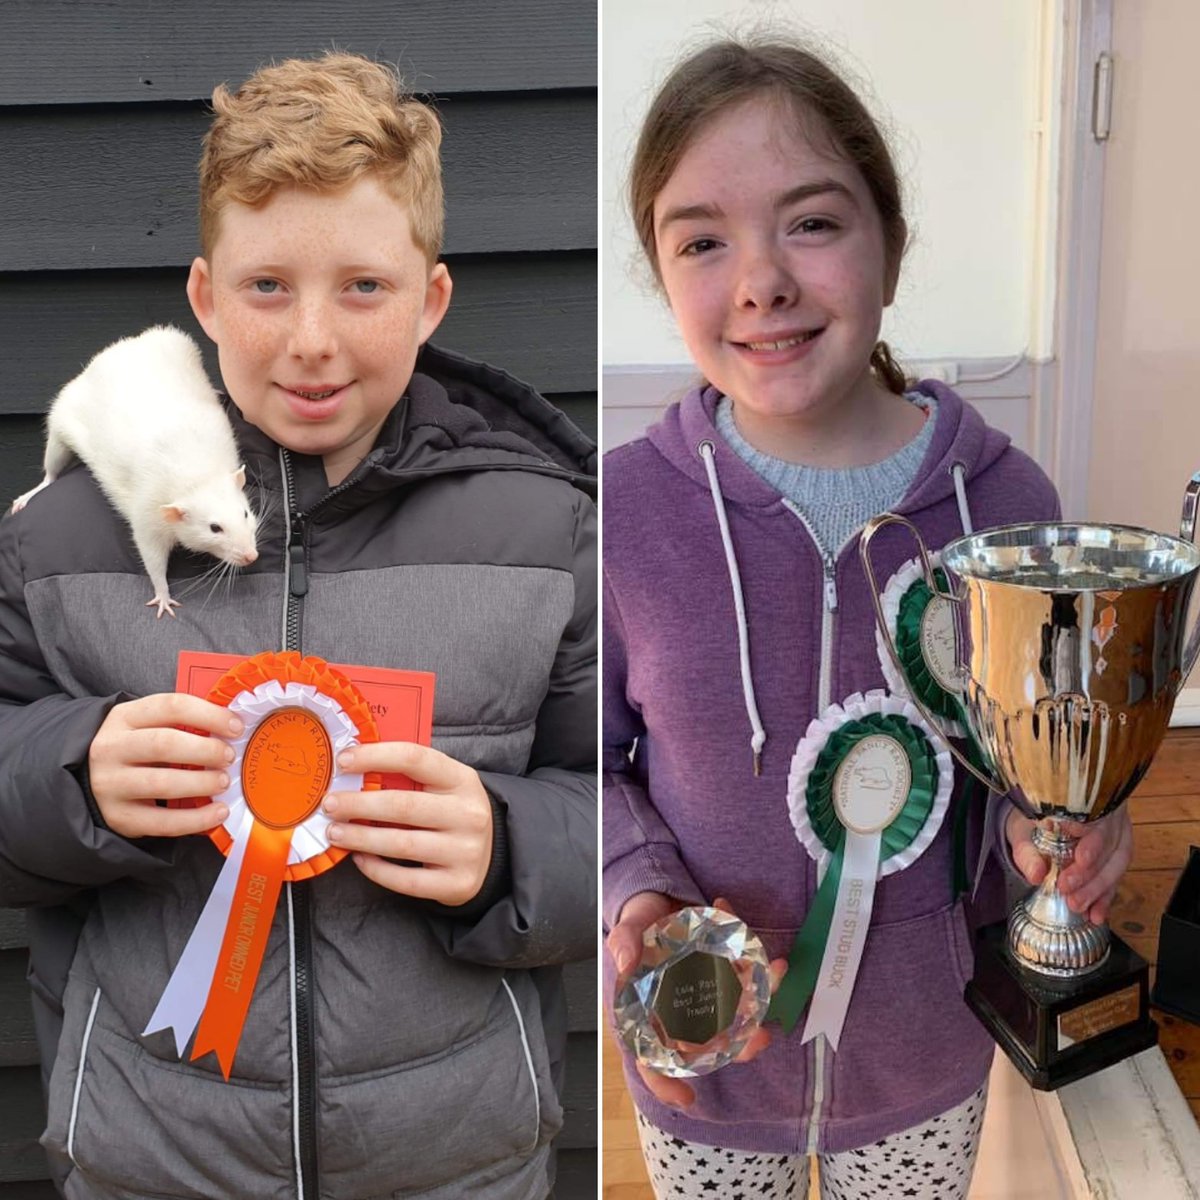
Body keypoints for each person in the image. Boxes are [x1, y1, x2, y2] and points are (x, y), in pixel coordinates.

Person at [0, 52, 596, 1200]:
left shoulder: (548, 531)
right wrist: (70, 773)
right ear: (204, 297)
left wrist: (513, 846)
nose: (312, 339)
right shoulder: (62, 537)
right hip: (151, 1156)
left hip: (456, 1159)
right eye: (267, 286)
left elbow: (620, 799)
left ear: (430, 298)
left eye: (364, 287)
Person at [603, 37, 1131, 1199]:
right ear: (660, 271)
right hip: (707, 1066)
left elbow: (1039, 762)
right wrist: (633, 886)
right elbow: (582, 760)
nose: (761, 283)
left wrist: (1072, 829)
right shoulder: (624, 514)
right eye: (702, 241)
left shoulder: (1010, 507)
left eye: (811, 223)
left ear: (890, 242)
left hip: (926, 1059)